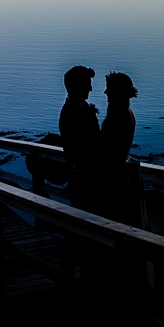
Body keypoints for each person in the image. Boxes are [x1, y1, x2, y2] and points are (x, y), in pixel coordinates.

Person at [58, 65, 101, 212]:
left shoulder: (80, 107)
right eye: (87, 84)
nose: (90, 89)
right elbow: (74, 147)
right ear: (77, 86)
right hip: (83, 178)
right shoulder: (70, 112)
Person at [100, 71, 141, 226]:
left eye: (109, 89)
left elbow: (111, 148)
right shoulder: (120, 113)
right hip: (115, 173)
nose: (106, 93)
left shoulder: (120, 116)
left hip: (114, 176)